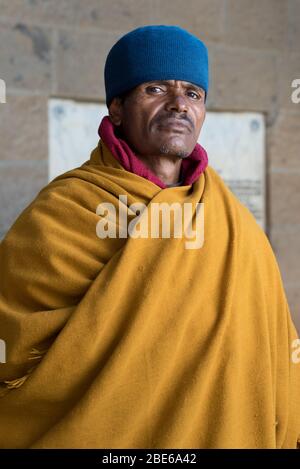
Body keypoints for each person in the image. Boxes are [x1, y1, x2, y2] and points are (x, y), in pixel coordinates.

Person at [0, 25, 299, 449]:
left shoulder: (235, 225)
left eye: (193, 94)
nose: (179, 104)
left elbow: (276, 352)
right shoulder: (63, 213)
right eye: (156, 88)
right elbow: (15, 348)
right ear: (117, 107)